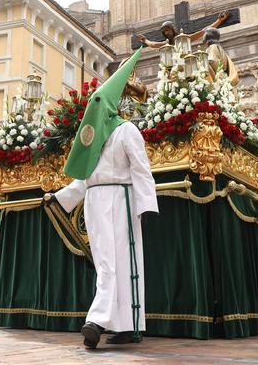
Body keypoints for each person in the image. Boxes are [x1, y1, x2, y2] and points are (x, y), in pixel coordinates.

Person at [47, 49, 158, 349]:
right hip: (96, 203)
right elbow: (85, 177)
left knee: (122, 262)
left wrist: (147, 204)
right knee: (107, 262)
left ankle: (100, 321)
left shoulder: (127, 131)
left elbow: (141, 170)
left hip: (122, 201)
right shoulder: (94, 138)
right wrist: (60, 197)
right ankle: (117, 324)